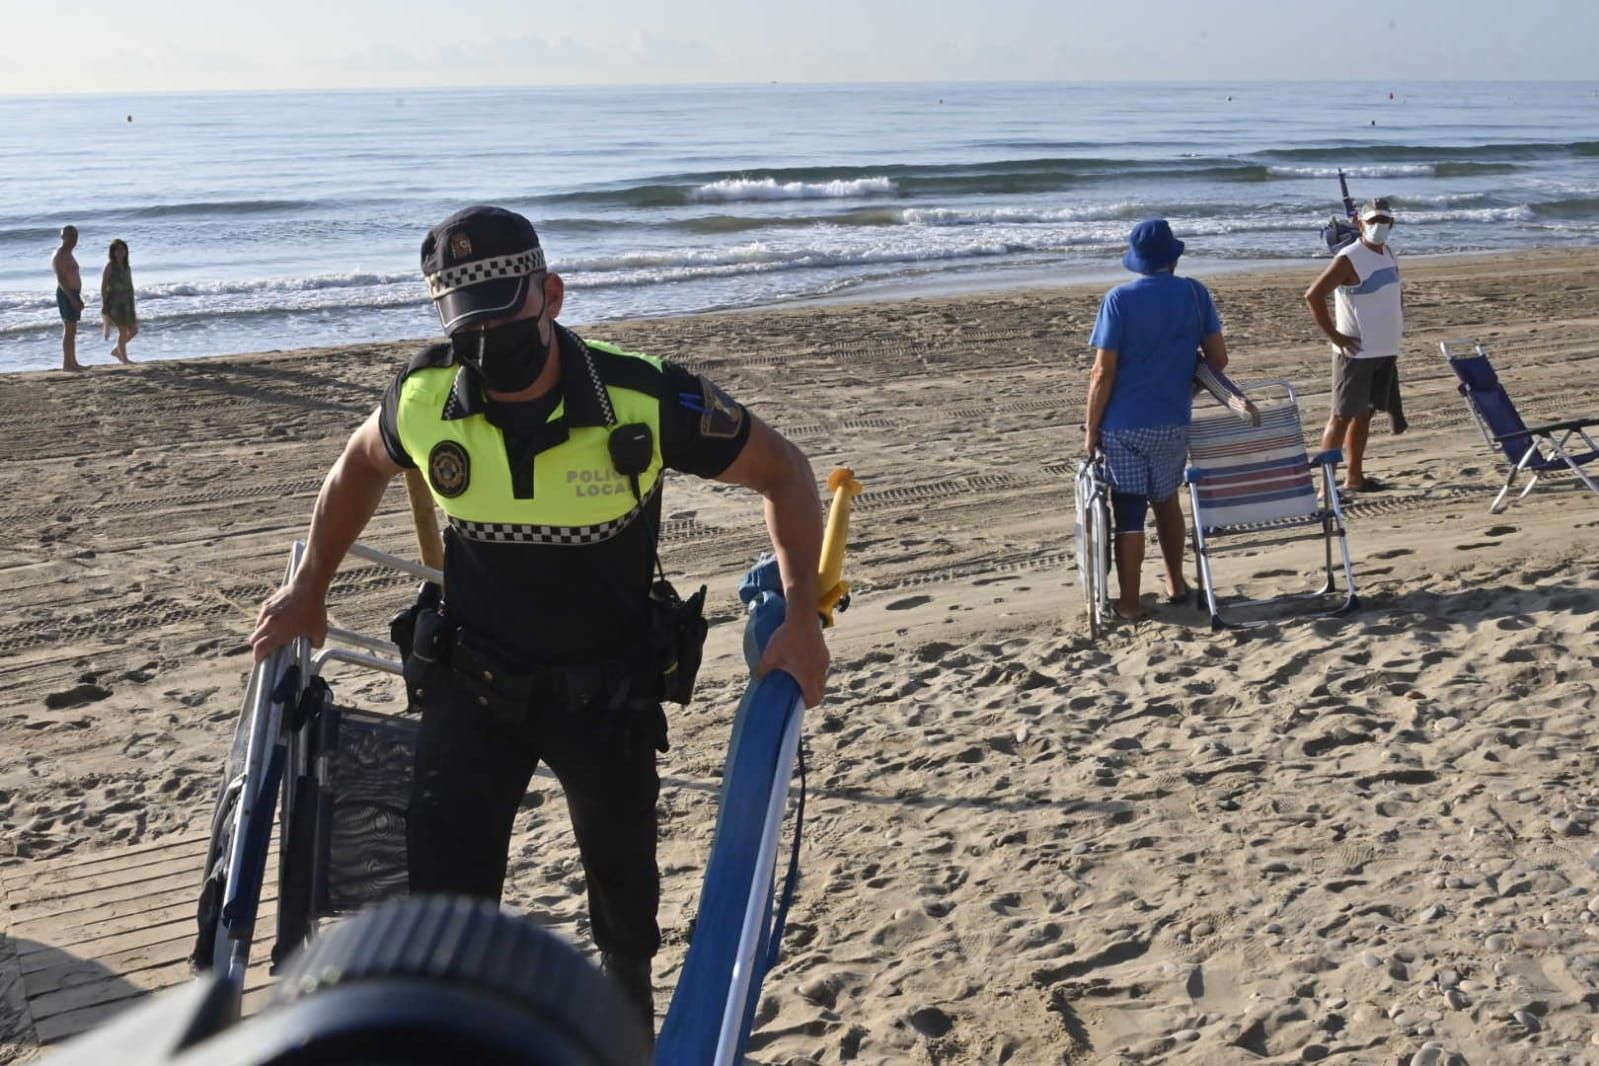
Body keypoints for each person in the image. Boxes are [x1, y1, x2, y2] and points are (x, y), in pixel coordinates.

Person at [248, 205, 830, 1033]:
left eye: (504, 316)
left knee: (624, 902)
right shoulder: (423, 396)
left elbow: (785, 472)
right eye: (468, 326)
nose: (488, 342)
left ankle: (627, 1022)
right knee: (443, 913)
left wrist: (800, 616)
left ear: (550, 295)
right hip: (472, 687)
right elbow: (357, 466)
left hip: (608, 694)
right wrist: (310, 587)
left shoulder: (645, 396)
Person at [1083, 218, 1232, 621]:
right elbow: (1218, 360)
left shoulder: (1119, 299)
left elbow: (1103, 372)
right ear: (1172, 258)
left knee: (1129, 511)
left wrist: (1091, 427)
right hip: (1173, 420)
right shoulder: (1195, 294)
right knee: (1167, 502)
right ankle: (1175, 584)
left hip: (1124, 425)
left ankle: (1130, 603)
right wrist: (1185, 386)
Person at [1304, 197, 1404, 494]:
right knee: (1341, 415)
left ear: (1391, 223)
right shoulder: (1349, 257)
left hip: (1384, 349)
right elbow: (1313, 295)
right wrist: (1335, 336)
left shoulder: (1389, 252)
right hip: (1356, 353)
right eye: (1372, 221)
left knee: (1366, 413)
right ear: (1361, 223)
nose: (1378, 226)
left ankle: (1355, 477)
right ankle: (1326, 488)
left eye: (1383, 220)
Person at [50, 226, 85, 372]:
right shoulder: (60, 254)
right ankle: (67, 364)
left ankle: (73, 362)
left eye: (75, 236)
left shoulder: (69, 254)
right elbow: (61, 280)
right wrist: (72, 298)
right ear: (62, 237)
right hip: (66, 294)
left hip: (73, 293)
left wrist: (77, 297)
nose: (73, 239)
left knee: (72, 331)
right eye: (69, 236)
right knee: (69, 330)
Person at [100, 239, 137, 364]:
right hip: (115, 303)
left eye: (123, 249)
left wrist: (132, 303)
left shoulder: (127, 267)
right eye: (118, 249)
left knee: (133, 331)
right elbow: (103, 286)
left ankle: (117, 351)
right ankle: (125, 359)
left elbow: (130, 285)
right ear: (113, 252)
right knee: (123, 331)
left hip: (127, 303)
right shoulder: (110, 266)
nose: (121, 252)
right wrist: (105, 304)